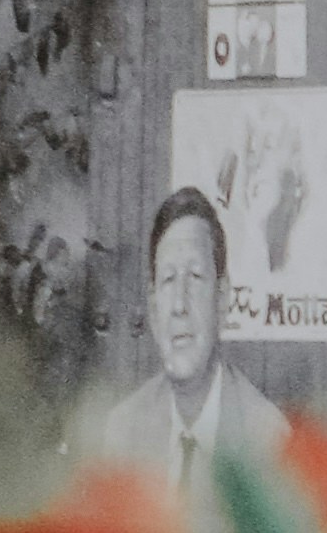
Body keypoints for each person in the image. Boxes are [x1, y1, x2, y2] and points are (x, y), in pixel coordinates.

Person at [99, 186, 290, 495]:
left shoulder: (268, 439)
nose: (179, 305)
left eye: (196, 277)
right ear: (152, 308)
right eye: (168, 280)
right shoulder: (122, 432)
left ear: (223, 300)